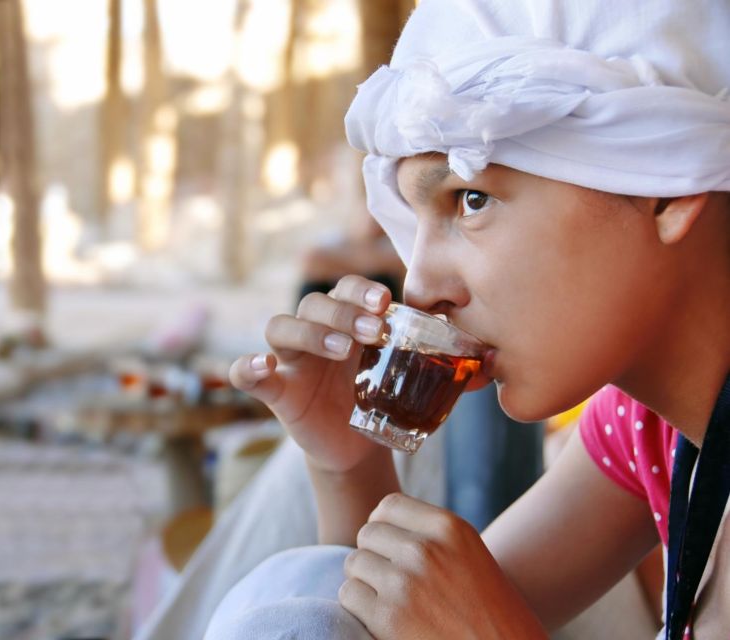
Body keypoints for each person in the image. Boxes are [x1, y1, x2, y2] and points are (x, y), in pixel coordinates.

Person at [220, 0, 730, 638]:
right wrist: (349, 464)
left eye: (471, 199)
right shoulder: (647, 431)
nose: (420, 287)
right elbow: (408, 621)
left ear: (669, 186)